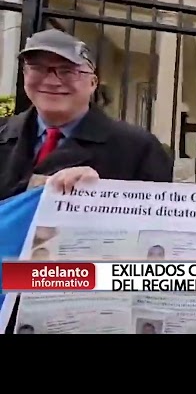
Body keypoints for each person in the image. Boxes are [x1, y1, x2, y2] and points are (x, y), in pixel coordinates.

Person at [0, 28, 174, 334]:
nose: (52, 80)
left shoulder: (138, 147)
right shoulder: (3, 137)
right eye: (38, 68)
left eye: (67, 70)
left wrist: (105, 196)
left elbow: (160, 237)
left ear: (92, 82)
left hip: (84, 314)